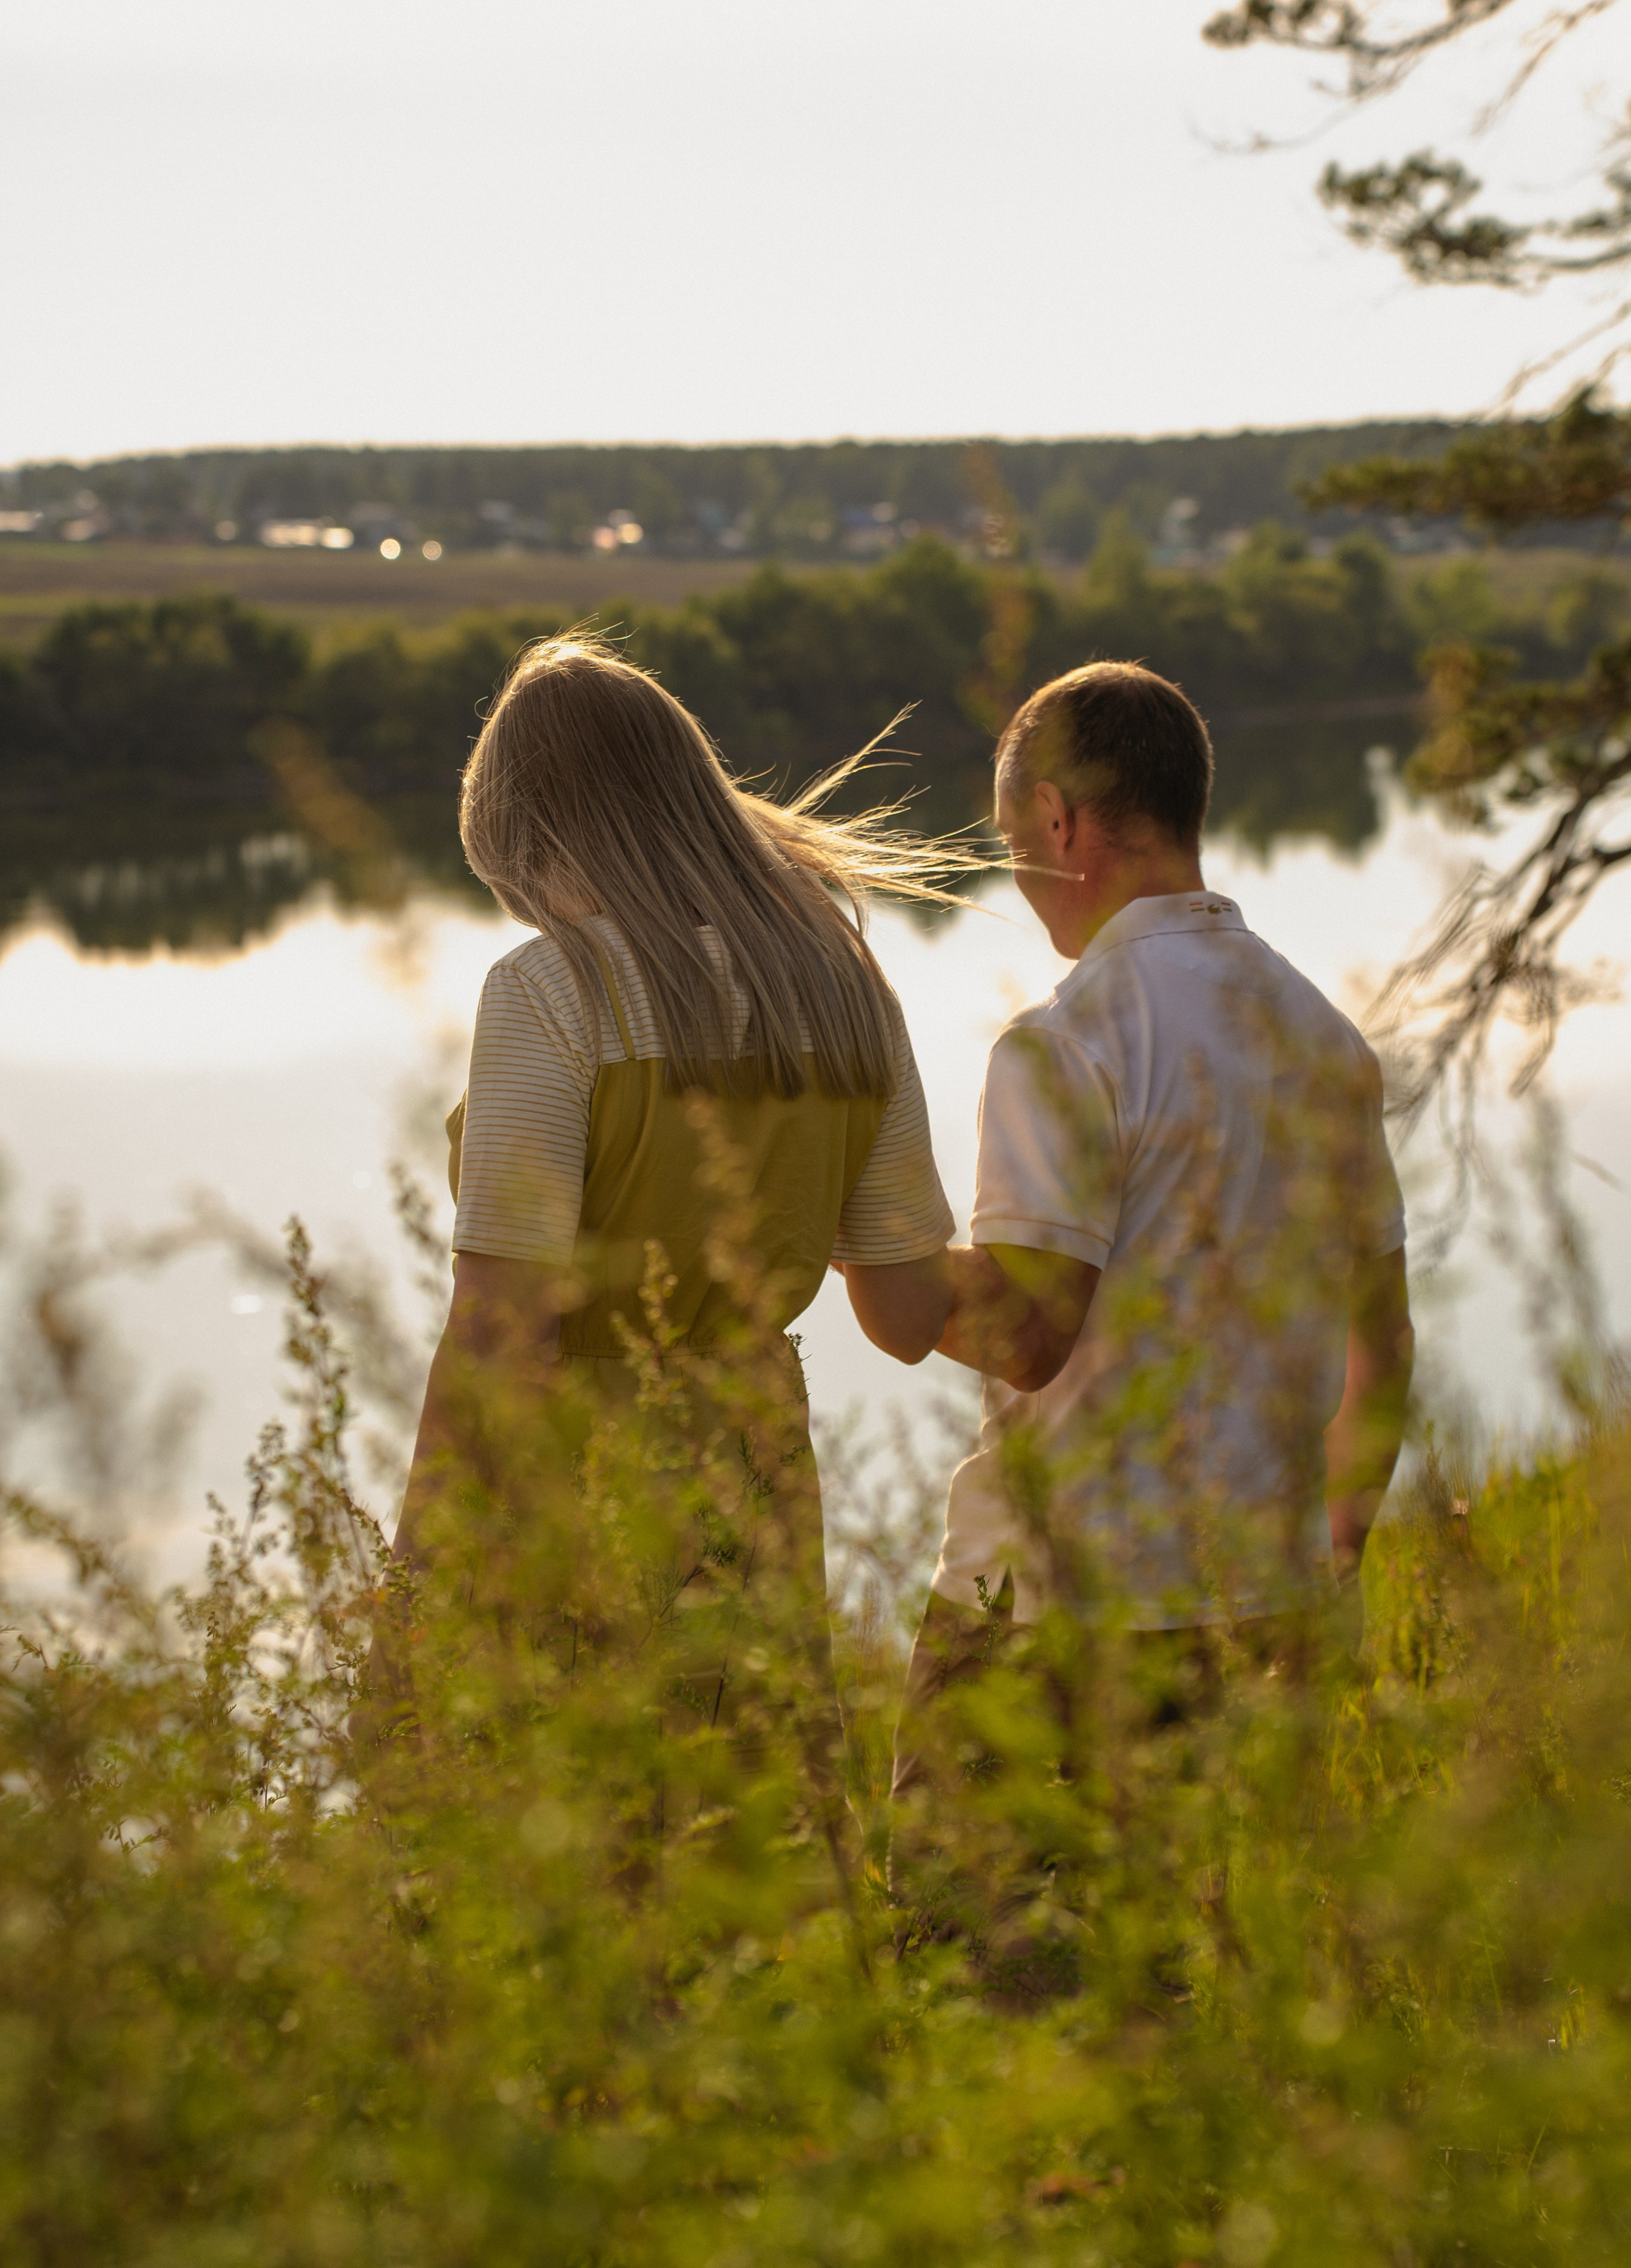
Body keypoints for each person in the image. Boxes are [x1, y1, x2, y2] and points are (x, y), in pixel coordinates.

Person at [380, 632, 961, 1790]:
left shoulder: (548, 992)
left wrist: (411, 1594)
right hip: (754, 1455)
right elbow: (905, 1307)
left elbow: (503, 1338)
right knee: (749, 1824)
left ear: (531, 839)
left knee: (564, 1859)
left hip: (579, 1483)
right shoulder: (845, 983)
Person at [837, 661, 1414, 1785]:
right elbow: (1382, 1346)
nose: (1017, 865)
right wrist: (1330, 1559)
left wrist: (864, 1228)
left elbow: (1026, 1336)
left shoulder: (1064, 1043)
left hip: (1054, 1620)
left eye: (1013, 835)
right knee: (1223, 1958)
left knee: (970, 1948)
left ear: (1058, 819)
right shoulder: (1326, 1036)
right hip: (1271, 1606)